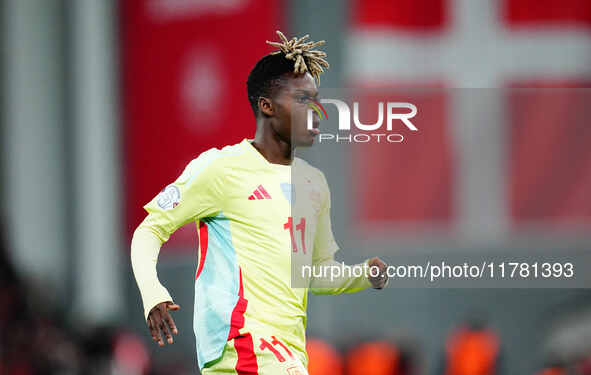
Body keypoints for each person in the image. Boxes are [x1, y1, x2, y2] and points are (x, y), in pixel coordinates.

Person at [131, 30, 388, 374]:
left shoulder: (314, 184)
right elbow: (149, 230)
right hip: (243, 345)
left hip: (288, 352)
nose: (315, 111)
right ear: (266, 106)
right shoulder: (220, 169)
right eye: (301, 100)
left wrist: (363, 274)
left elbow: (316, 275)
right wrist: (153, 291)